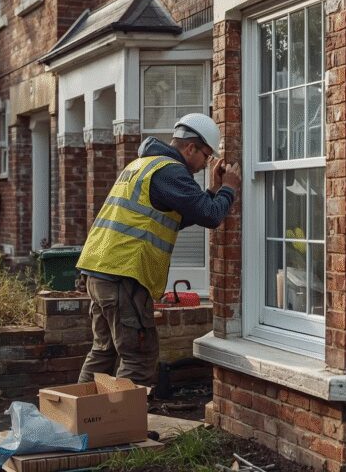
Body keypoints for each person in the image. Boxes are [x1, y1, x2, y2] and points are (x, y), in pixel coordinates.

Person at [75, 113, 241, 389]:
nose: (203, 166)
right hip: (123, 276)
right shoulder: (171, 171)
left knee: (103, 352)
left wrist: (211, 190)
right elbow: (211, 216)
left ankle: (77, 422)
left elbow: (178, 216)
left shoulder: (143, 165)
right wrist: (228, 189)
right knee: (139, 358)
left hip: (100, 272)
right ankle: (122, 430)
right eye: (206, 156)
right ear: (190, 148)